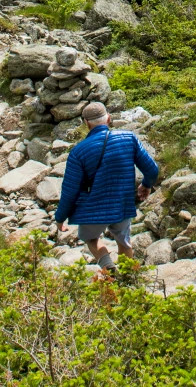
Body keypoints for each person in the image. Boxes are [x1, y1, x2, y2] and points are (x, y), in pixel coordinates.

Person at [55, 102, 159, 272]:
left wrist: (60, 218)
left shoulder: (78, 152)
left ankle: (107, 266)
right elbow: (152, 170)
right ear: (109, 118)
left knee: (90, 238)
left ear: (86, 123)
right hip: (121, 204)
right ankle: (128, 280)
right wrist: (146, 185)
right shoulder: (128, 138)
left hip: (92, 208)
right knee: (124, 241)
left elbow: (69, 190)